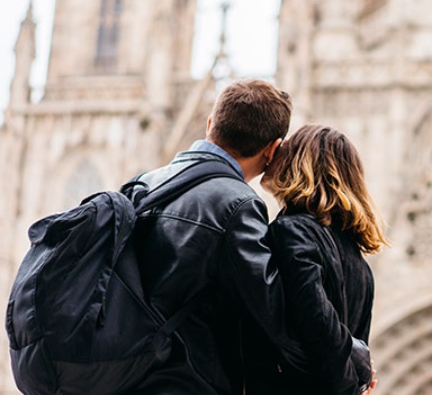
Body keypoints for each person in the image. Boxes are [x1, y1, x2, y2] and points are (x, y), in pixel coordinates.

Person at [128, 79, 292, 395]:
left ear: (209, 125)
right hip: (182, 383)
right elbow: (273, 316)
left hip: (124, 377)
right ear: (272, 150)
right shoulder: (237, 204)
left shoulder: (142, 185)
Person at [251, 124, 388, 395]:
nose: (270, 156)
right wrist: (358, 377)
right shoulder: (358, 258)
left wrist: (351, 384)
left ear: (298, 164)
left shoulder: (291, 231)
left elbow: (318, 324)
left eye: (283, 150)